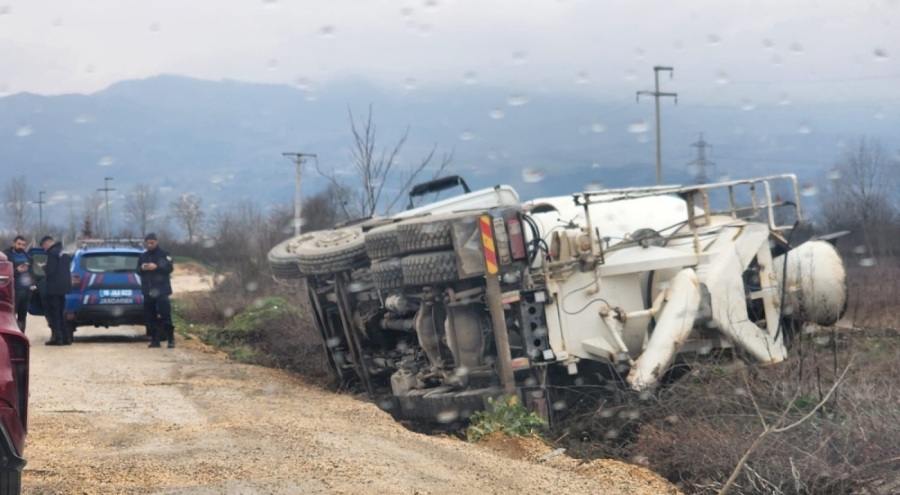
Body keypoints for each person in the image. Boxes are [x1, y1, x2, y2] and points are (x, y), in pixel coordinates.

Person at [138, 233, 175, 348]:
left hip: (161, 290)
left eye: (152, 242)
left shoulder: (164, 254)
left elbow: (170, 268)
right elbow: (137, 270)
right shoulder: (143, 256)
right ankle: (155, 340)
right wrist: (143, 268)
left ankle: (170, 339)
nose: (150, 245)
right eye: (148, 243)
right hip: (148, 290)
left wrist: (157, 267)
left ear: (156, 241)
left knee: (165, 315)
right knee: (150, 316)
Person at [38, 235, 72, 345]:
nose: (44, 249)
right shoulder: (64, 251)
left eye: (43, 246)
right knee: (61, 312)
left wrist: (44, 267)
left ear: (46, 244)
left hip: (54, 288)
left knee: (55, 313)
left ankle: (57, 338)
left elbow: (51, 270)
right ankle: (66, 338)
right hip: (64, 288)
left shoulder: (52, 253)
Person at [3, 236, 35, 332]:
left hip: (26, 290)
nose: (21, 246)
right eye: (19, 244)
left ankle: (21, 334)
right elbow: (4, 273)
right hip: (13, 290)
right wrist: (17, 270)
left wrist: (33, 283)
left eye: (23, 245)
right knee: (11, 315)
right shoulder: (6, 256)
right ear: (14, 244)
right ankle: (12, 334)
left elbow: (32, 272)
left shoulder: (28, 257)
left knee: (22, 315)